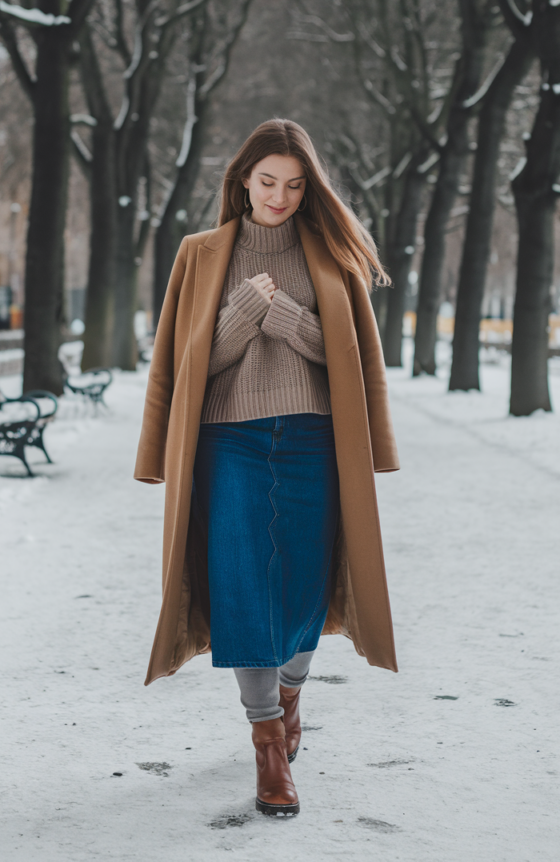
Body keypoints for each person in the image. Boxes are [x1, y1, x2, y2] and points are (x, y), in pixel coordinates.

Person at [134, 118, 399, 818]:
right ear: (243, 181)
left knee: (309, 586)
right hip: (230, 439)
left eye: (294, 183)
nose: (279, 195)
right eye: (267, 181)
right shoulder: (200, 254)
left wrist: (287, 319)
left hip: (315, 436)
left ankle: (289, 692)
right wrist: (247, 307)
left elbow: (348, 356)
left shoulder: (332, 254)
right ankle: (267, 744)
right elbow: (188, 362)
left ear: (308, 187)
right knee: (243, 580)